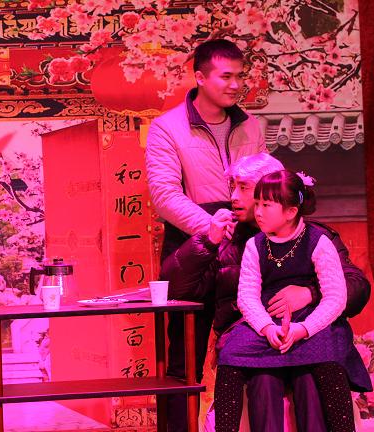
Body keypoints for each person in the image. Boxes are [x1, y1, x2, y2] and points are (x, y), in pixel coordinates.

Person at [161, 154, 371, 431]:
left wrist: (310, 294)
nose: (233, 197)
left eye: (244, 188)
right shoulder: (228, 240)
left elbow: (354, 286)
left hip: (308, 328)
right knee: (262, 379)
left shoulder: (316, 237)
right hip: (254, 333)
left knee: (311, 375)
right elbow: (176, 289)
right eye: (233, 187)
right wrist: (207, 241)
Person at [145, 39, 266, 431]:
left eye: (240, 76)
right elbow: (165, 196)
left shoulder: (250, 125)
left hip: (246, 246)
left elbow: (265, 183)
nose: (236, 85)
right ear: (200, 77)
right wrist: (212, 229)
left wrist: (246, 224)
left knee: (249, 346)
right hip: (192, 246)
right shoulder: (167, 127)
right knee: (183, 360)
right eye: (226, 76)